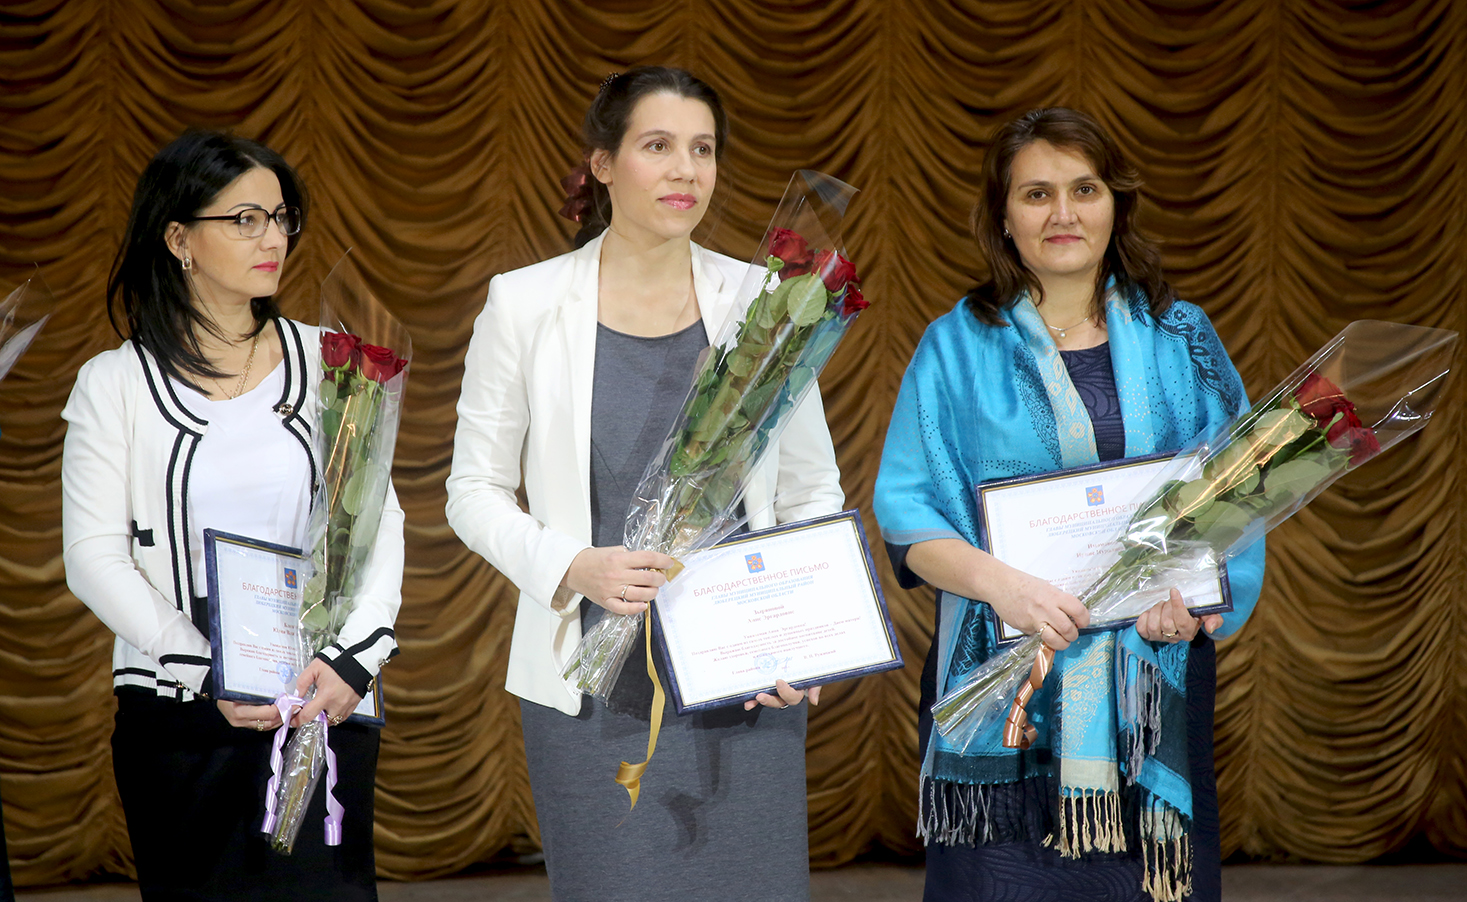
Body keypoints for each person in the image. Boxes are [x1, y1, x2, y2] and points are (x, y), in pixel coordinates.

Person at [446, 67, 843, 902]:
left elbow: (810, 490)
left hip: (745, 682)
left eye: (702, 149)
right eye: (657, 146)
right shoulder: (523, 303)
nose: (684, 170)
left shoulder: (765, 297)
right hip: (591, 686)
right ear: (602, 164)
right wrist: (571, 565)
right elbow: (472, 489)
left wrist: (805, 640)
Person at [873, 108, 1265, 902]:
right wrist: (1003, 588)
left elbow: (1242, 490)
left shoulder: (1181, 336)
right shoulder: (955, 345)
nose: (1062, 213)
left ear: (1115, 203)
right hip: (1003, 693)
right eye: (1036, 194)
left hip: (1149, 690)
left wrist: (1196, 605)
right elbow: (908, 516)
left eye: (1083, 190)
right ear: (1002, 216)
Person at [61, 130, 404, 901]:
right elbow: (92, 554)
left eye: (281, 218)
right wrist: (202, 666)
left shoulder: (334, 360)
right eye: (245, 219)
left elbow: (379, 523)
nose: (272, 238)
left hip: (323, 696)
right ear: (178, 237)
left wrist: (355, 659)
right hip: (180, 711)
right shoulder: (114, 383)